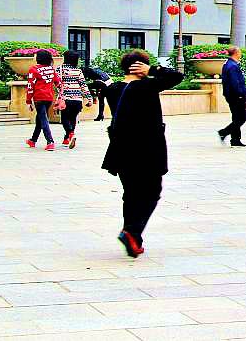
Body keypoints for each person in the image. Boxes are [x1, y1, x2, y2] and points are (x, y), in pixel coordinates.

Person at [101, 50, 184, 258]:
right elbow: (177, 76)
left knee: (131, 193)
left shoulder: (113, 89)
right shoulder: (147, 86)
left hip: (121, 148)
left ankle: (133, 239)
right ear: (141, 67)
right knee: (152, 191)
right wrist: (153, 70)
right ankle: (132, 231)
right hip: (147, 149)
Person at [24, 49, 61, 151]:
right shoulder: (51, 69)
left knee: (43, 119)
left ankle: (50, 141)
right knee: (40, 118)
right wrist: (61, 95)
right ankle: (33, 140)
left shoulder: (33, 69)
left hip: (39, 98)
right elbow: (58, 83)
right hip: (49, 98)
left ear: (39, 58)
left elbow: (30, 86)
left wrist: (28, 101)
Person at [59, 50, 93, 149]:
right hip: (78, 100)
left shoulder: (60, 70)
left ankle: (70, 134)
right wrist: (89, 98)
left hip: (66, 99)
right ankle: (67, 138)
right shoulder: (78, 71)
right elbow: (83, 85)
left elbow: (57, 83)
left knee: (64, 118)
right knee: (73, 118)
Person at [216, 47, 246, 147]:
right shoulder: (233, 66)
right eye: (239, 52)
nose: (240, 54)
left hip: (231, 95)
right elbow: (235, 82)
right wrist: (240, 94)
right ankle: (223, 132)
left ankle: (235, 139)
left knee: (236, 118)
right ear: (236, 53)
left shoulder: (228, 64)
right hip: (236, 96)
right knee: (241, 118)